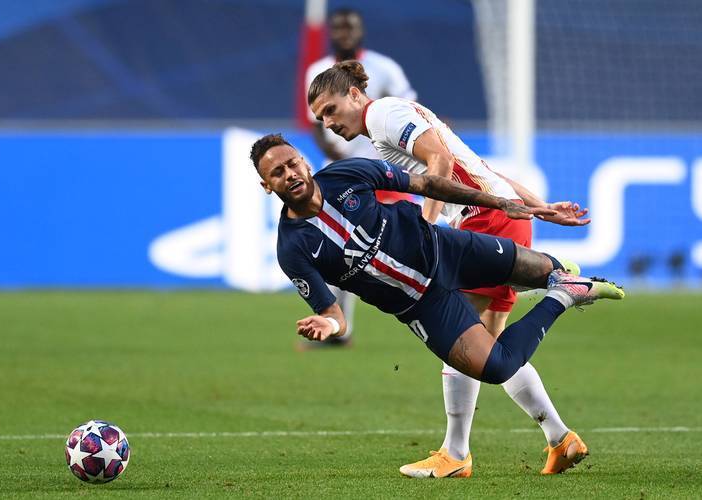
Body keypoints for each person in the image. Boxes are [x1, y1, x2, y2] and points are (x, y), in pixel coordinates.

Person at [250, 133, 624, 472]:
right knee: (495, 366)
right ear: (267, 186)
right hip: (423, 305)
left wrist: (503, 204)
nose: (289, 174)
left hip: (445, 250)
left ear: (305, 161)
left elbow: (428, 183)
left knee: (547, 269)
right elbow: (333, 313)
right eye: (277, 173)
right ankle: (565, 295)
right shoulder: (292, 249)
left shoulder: (348, 173)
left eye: (292, 163)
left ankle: (480, 449)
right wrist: (329, 324)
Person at [307, 61, 595, 476]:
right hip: (501, 216)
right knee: (486, 349)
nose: (328, 123)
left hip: (485, 221)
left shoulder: (383, 115)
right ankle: (560, 438)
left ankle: (456, 454)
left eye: (331, 110)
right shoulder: (391, 117)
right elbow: (480, 169)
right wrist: (540, 208)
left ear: (354, 94)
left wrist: (424, 229)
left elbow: (439, 162)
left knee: (457, 337)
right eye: (320, 118)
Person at [304, 8, 417, 347]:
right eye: (339, 28)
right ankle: (339, 329)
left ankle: (444, 297)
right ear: (331, 32)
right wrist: (337, 156)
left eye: (350, 27)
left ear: (360, 31)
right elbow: (315, 126)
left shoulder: (383, 67)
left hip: (386, 171)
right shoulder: (317, 71)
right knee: (337, 250)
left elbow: (407, 108)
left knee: (413, 240)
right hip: (342, 177)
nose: (345, 33)